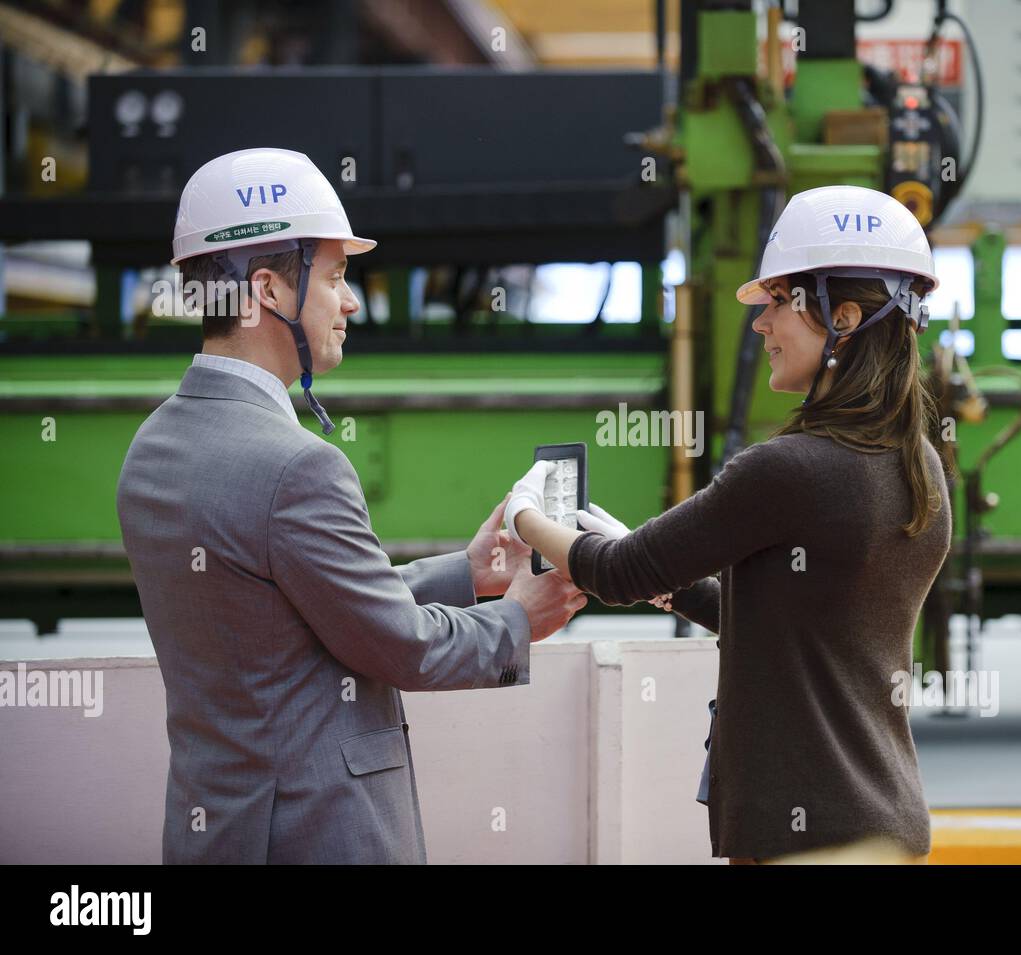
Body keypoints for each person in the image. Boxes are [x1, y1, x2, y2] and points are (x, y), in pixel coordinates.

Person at [116, 147, 585, 864]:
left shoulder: (150, 450)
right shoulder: (298, 465)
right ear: (267, 289)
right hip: (319, 834)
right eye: (336, 275)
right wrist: (520, 617)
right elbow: (402, 645)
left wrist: (468, 572)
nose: (352, 299)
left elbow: (300, 614)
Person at [505, 186, 952, 864]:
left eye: (777, 303)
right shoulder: (917, 464)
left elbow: (618, 572)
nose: (760, 324)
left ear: (845, 317)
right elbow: (806, 630)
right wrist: (674, 579)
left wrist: (526, 514)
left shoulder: (790, 469)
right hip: (881, 826)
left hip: (807, 841)